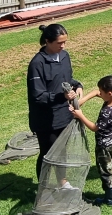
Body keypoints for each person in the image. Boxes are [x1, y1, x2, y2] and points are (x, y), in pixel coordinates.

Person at [26, 23, 83, 179]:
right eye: (59, 43)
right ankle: (43, 187)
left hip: (64, 115)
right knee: (49, 153)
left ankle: (62, 183)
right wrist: (61, 97)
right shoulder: (38, 63)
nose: (63, 46)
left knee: (62, 152)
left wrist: (77, 85)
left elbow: (66, 79)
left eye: (65, 42)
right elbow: (38, 95)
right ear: (47, 41)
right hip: (45, 120)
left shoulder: (64, 56)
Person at [70, 75, 112, 206]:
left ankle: (109, 200)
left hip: (105, 146)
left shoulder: (107, 112)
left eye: (101, 92)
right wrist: (90, 96)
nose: (99, 93)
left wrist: (80, 115)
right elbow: (97, 93)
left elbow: (95, 128)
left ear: (109, 93)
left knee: (106, 171)